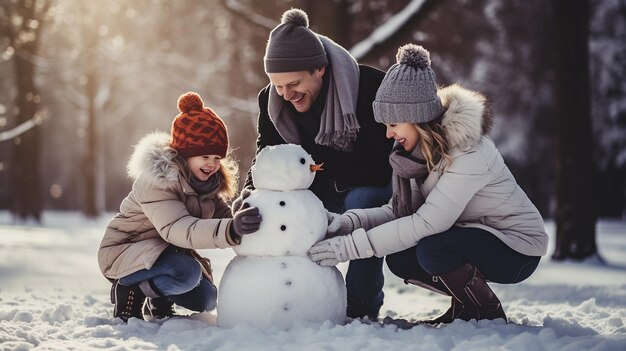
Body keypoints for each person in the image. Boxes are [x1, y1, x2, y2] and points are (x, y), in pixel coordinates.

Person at [308, 44, 548, 325]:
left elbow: (425, 224)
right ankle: (465, 306)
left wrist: (347, 249)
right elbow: (399, 212)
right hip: (472, 234)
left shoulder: (468, 152)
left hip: (516, 248)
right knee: (401, 258)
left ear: (418, 117)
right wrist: (348, 223)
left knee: (431, 248)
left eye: (394, 123)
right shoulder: (415, 157)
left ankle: (485, 310)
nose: (388, 134)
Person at [236, 8, 394, 320]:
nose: (286, 94)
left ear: (319, 69)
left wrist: (320, 166)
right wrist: (249, 197)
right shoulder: (272, 100)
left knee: (362, 202)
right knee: (281, 208)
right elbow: (268, 156)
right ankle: (296, 300)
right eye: (278, 85)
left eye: (293, 83)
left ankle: (361, 305)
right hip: (317, 188)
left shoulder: (371, 88)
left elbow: (389, 160)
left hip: (369, 188)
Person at [98, 92, 261, 322]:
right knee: (187, 273)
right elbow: (179, 229)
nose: (212, 164)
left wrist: (243, 216)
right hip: (124, 252)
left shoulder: (205, 184)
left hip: (166, 254)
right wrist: (232, 230)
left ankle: (157, 297)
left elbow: (225, 216)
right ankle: (129, 288)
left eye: (217, 157)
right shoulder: (158, 182)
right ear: (185, 154)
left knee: (206, 299)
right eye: (204, 156)